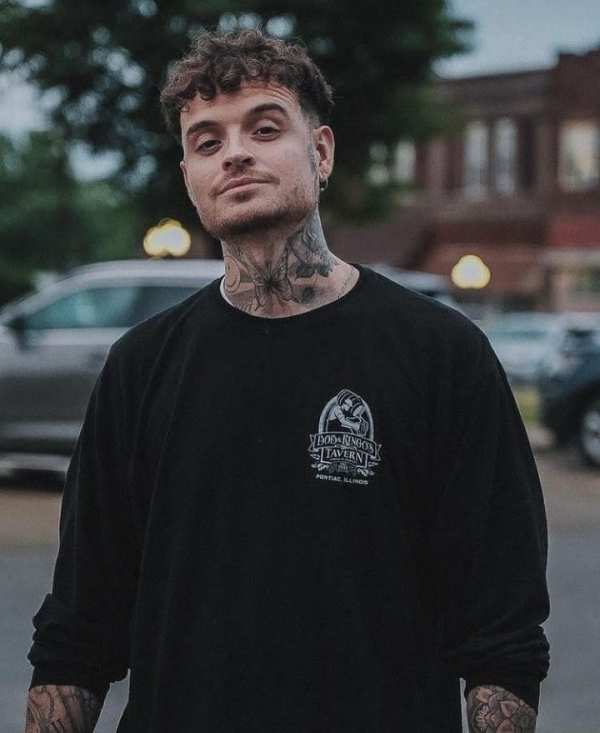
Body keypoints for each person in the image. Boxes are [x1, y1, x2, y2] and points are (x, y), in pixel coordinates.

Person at [25, 29, 550, 733]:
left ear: (321, 151)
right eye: (206, 141)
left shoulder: (443, 353)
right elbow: (79, 629)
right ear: (189, 176)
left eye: (265, 128)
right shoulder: (140, 367)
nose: (234, 152)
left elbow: (502, 633)